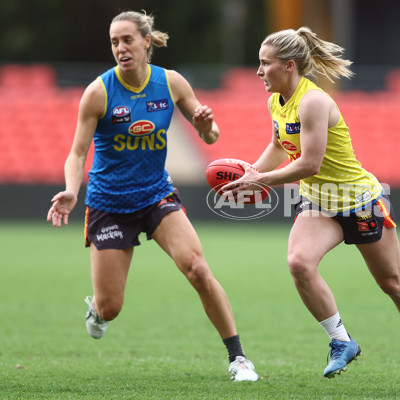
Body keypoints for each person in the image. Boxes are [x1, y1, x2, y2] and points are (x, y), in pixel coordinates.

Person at [46, 10, 258, 382]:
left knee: (197, 268)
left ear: (146, 42)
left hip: (157, 195)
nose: (120, 48)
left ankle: (238, 358)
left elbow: (211, 137)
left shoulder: (171, 83)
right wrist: (70, 189)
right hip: (109, 204)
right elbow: (78, 153)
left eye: (127, 40)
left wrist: (208, 127)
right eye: (114, 42)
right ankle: (96, 309)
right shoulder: (98, 92)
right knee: (111, 308)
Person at [223, 27, 400, 390]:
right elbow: (278, 143)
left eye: (264, 64)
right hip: (320, 204)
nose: (258, 71)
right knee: (298, 262)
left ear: (288, 66)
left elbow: (311, 164)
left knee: (391, 282)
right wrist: (254, 171)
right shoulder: (276, 100)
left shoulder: (314, 102)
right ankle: (341, 341)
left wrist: (261, 182)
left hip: (360, 202)